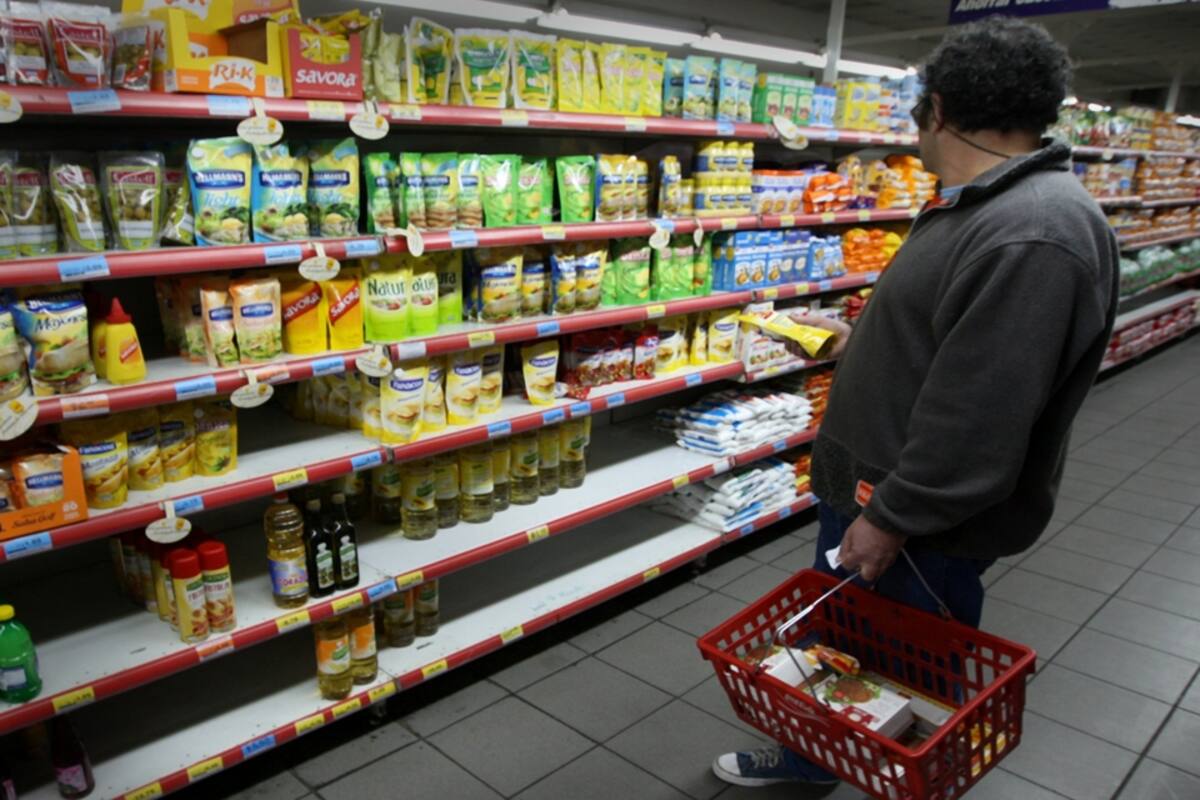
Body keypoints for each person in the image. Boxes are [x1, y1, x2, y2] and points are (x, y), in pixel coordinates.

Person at [713, 15, 1118, 788]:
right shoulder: (988, 203)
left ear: (935, 110)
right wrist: (855, 338)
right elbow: (956, 347)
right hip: (885, 497)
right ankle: (813, 763)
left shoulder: (1032, 231)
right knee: (846, 645)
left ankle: (887, 776)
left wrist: (892, 517)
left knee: (907, 681)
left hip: (916, 521)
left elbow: (981, 412)